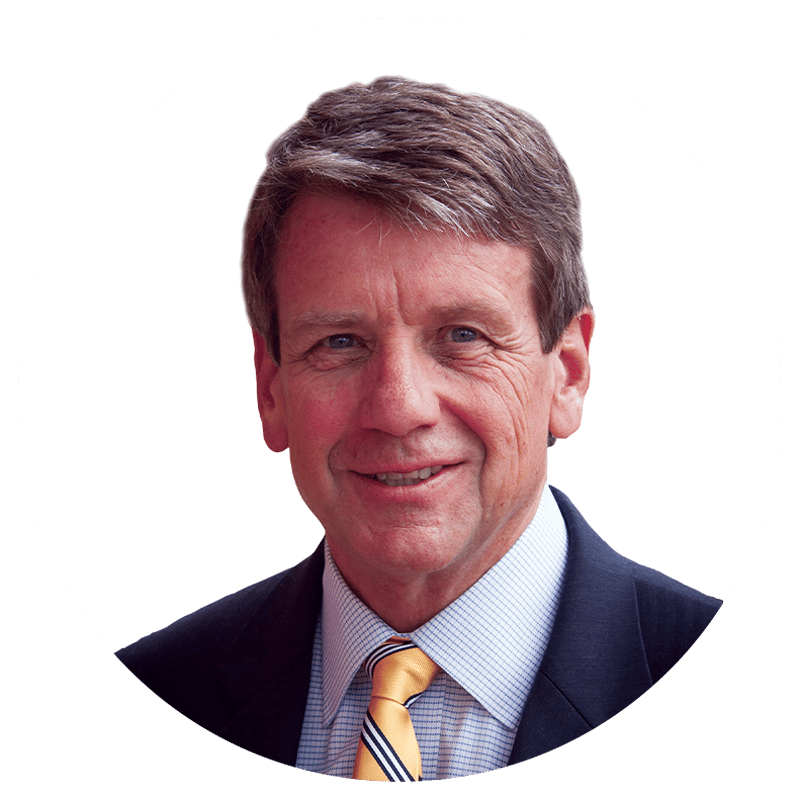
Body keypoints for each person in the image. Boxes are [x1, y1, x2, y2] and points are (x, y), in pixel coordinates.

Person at [116, 76, 721, 780]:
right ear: (270, 387)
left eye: (463, 336)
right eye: (340, 342)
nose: (398, 407)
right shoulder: (146, 699)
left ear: (568, 374)